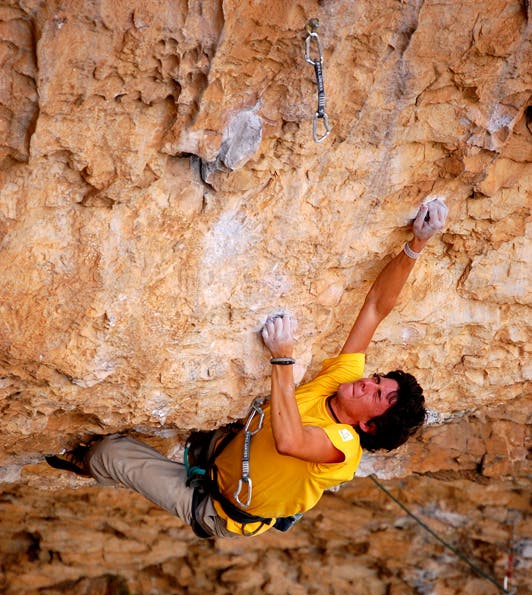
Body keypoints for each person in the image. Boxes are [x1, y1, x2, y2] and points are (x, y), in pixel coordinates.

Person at [46, 199, 448, 539]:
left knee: (107, 452)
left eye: (378, 395)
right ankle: (191, 448)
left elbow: (290, 441)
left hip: (215, 507)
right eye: (377, 379)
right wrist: (417, 244)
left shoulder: (343, 447)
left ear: (369, 427)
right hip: (221, 450)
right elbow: (376, 307)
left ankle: (83, 464)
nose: (367, 383)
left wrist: (283, 357)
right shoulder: (343, 383)